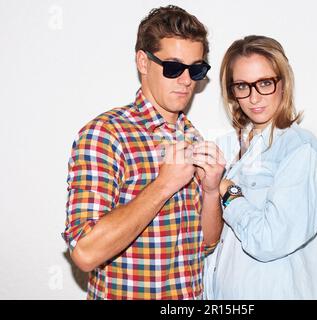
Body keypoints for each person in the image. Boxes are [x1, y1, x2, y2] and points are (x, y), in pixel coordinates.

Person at [62, 5, 225, 300]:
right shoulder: (107, 134)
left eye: (197, 69)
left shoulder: (193, 137)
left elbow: (206, 244)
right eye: (174, 67)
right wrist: (163, 185)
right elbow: (85, 253)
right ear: (143, 61)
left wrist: (212, 191)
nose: (187, 80)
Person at [203, 35, 317, 299]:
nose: (254, 98)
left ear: (283, 83)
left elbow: (269, 241)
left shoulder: (301, 150)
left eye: (265, 83)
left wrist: (228, 191)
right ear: (232, 92)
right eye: (242, 86)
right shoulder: (225, 147)